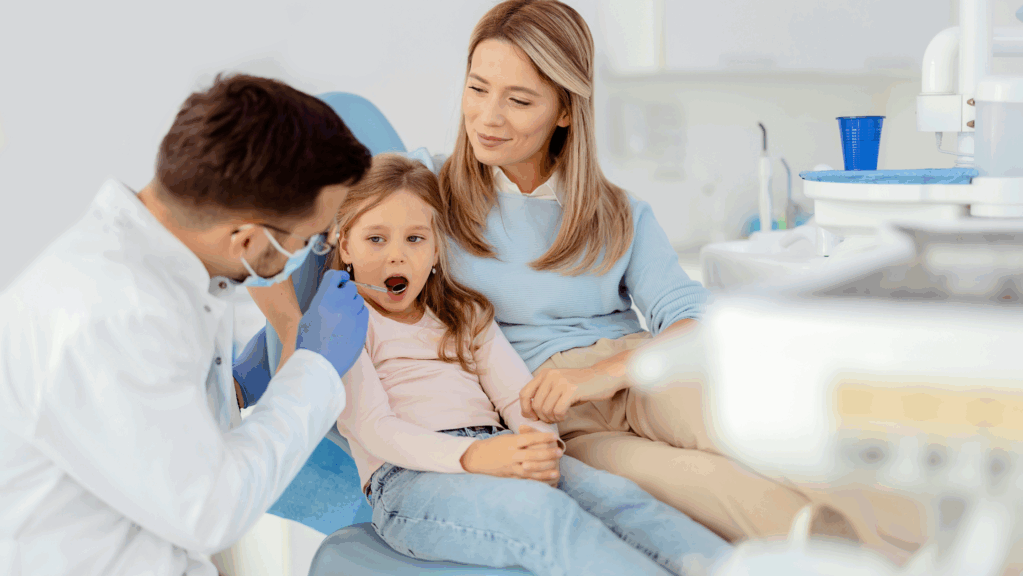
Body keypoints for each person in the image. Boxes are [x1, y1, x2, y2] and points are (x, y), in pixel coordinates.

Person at [239, 0, 925, 561]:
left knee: (765, 426)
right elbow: (311, 232)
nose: (487, 117)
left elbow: (699, 320)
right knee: (695, 485)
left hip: (638, 372)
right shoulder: (425, 193)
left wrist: (611, 371)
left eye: (518, 100)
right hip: (544, 406)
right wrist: (266, 356)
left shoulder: (615, 210)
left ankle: (944, 544)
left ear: (565, 111)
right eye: (477, 90)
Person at [0, 73, 372, 576]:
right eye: (312, 238)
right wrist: (314, 367)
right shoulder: (114, 316)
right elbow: (210, 509)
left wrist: (239, 384)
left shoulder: (177, 267)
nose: (317, 249)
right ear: (244, 239)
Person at [307, 153, 732, 575]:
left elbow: (516, 395)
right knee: (543, 514)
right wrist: (476, 456)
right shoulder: (344, 322)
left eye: (414, 239)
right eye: (375, 239)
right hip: (408, 481)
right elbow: (374, 429)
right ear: (345, 245)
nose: (396, 257)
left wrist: (539, 447)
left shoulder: (467, 315)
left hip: (499, 449)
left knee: (621, 498)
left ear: (437, 248)